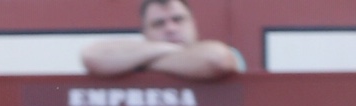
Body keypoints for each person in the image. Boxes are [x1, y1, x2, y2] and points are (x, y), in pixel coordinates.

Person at [80, 0, 245, 81]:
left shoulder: (230, 53)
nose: (171, 29)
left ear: (193, 24)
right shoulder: (134, 56)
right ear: (145, 33)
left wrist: (144, 65)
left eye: (178, 19)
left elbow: (217, 60)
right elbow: (91, 57)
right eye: (159, 24)